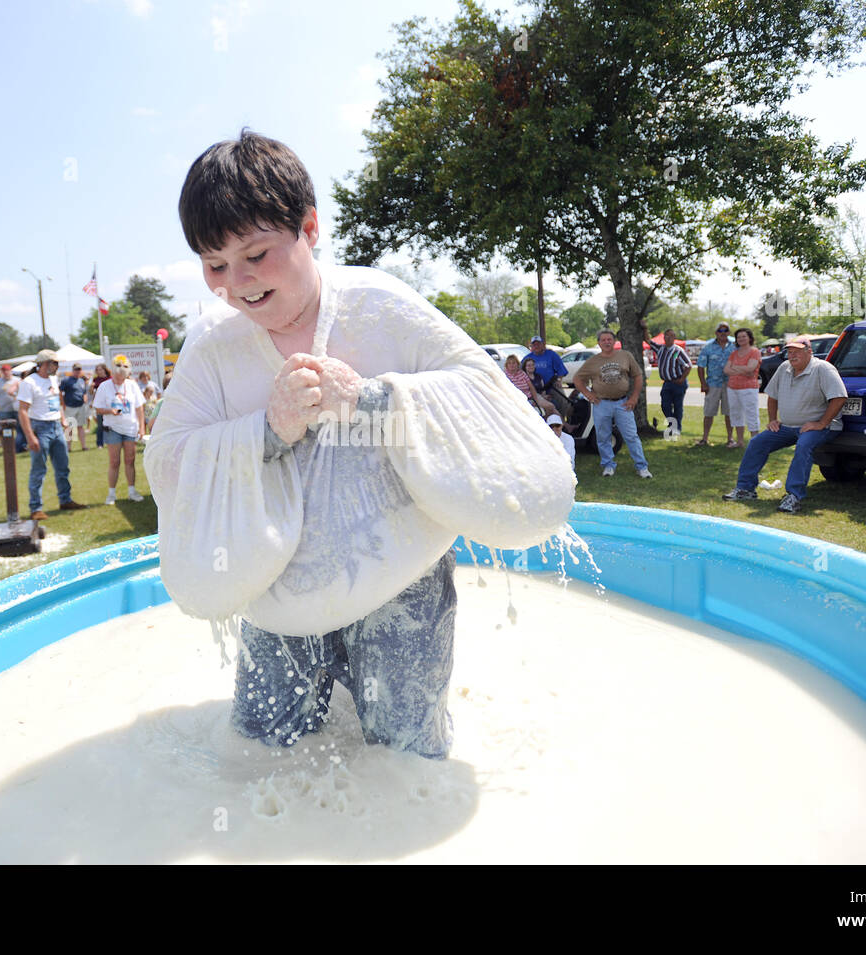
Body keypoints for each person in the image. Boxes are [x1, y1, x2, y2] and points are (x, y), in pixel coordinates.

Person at [147, 131, 574, 760]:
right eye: (215, 265)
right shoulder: (212, 347)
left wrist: (374, 400)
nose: (237, 283)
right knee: (262, 753)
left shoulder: (380, 305)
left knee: (407, 758)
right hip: (276, 609)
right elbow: (168, 461)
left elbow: (488, 401)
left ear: (309, 227)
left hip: (403, 589)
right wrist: (265, 430)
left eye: (256, 255)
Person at [721, 336, 847, 514]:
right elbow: (772, 396)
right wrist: (772, 419)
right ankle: (745, 489)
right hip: (787, 426)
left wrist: (821, 423)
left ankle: (794, 496)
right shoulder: (784, 368)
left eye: (797, 351)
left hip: (820, 427)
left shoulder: (823, 369)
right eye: (790, 351)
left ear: (809, 352)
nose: (792, 355)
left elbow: (840, 397)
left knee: (804, 446)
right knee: (757, 442)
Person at [571, 329, 653, 478]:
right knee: (602, 437)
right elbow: (577, 379)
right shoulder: (593, 361)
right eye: (603, 340)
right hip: (601, 404)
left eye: (609, 339)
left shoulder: (625, 356)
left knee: (631, 436)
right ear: (599, 343)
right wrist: (588, 395)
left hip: (623, 403)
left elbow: (638, 375)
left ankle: (642, 467)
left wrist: (634, 397)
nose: (607, 342)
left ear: (614, 341)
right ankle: (608, 465)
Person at [18, 349, 87, 520]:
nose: (57, 366)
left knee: (63, 466)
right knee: (39, 469)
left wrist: (62, 419)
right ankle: (36, 508)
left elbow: (57, 402)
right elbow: (23, 411)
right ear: (44, 364)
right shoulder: (29, 382)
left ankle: (65, 500)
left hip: (56, 426)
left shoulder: (53, 379)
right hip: (40, 428)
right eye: (54, 363)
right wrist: (30, 436)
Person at [92, 354, 146, 504]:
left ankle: (132, 491)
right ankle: (111, 494)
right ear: (114, 372)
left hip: (130, 428)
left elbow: (139, 408)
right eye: (118, 375)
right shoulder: (105, 386)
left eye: (124, 375)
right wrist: (110, 411)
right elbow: (97, 408)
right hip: (113, 428)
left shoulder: (132, 385)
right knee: (114, 462)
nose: (121, 378)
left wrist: (141, 427)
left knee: (130, 460)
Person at [696, 322, 736, 447]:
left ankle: (730, 438)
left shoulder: (734, 347)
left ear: (729, 332)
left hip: (730, 384)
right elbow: (701, 366)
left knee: (729, 413)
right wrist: (703, 384)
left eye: (725, 330)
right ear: (716, 333)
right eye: (720, 331)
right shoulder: (708, 347)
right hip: (712, 384)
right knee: (709, 412)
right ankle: (705, 438)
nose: (723, 333)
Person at [724, 328, 762, 448]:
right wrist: (743, 369)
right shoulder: (734, 353)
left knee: (751, 413)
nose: (741, 339)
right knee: (736, 414)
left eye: (744, 336)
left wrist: (734, 367)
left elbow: (751, 369)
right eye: (739, 337)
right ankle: (740, 441)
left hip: (748, 388)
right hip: (732, 388)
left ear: (749, 338)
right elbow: (726, 370)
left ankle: (755, 443)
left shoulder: (754, 352)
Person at [520, 336, 571, 417]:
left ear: (543, 344)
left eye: (538, 344)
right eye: (534, 344)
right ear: (531, 346)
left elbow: (561, 369)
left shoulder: (552, 355)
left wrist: (559, 379)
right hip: (534, 388)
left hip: (551, 385)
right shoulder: (527, 358)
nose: (536, 346)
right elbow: (520, 372)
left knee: (563, 402)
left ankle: (561, 424)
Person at [654, 329, 692, 435]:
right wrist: (644, 329)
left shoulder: (678, 351)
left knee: (677, 406)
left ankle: (677, 429)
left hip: (678, 382)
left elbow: (688, 365)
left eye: (670, 336)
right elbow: (649, 341)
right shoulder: (660, 349)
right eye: (666, 336)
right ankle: (672, 425)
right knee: (665, 405)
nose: (668, 338)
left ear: (674, 338)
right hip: (667, 382)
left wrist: (682, 379)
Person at [0, 363, 26, 453]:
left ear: (10, 371)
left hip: (17, 409)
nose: (5, 373)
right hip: (4, 410)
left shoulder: (17, 380)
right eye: (3, 371)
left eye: (7, 371)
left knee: (20, 429)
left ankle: (21, 446)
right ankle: (8, 447)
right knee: (7, 430)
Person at [60, 363, 91, 452]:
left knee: (80, 426)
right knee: (69, 427)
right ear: (73, 370)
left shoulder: (81, 380)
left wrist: (85, 398)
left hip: (80, 406)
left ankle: (84, 446)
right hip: (70, 406)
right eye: (76, 369)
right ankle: (68, 447)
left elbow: (84, 391)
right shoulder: (66, 380)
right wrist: (63, 404)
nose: (78, 371)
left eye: (79, 370)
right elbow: (60, 392)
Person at [88, 363, 111, 450]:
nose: (99, 371)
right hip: (100, 405)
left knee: (110, 424)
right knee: (100, 425)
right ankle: (99, 443)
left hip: (109, 405)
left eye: (100, 369)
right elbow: (91, 393)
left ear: (105, 370)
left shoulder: (110, 379)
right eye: (97, 370)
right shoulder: (95, 380)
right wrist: (91, 387)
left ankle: (111, 441)